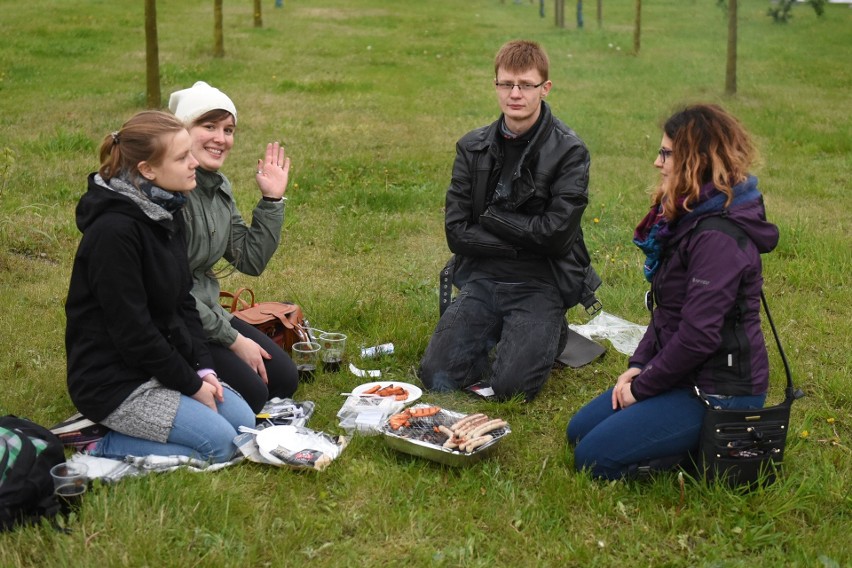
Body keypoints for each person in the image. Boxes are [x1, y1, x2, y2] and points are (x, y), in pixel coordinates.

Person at [567, 104, 779, 480]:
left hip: (720, 391)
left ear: (695, 161)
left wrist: (643, 387)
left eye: (666, 153)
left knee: (594, 459)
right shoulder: (689, 215)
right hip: (685, 374)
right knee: (577, 430)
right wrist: (637, 365)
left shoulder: (718, 238)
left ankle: (712, 453)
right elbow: (667, 313)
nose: (656, 162)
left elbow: (698, 336)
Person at [64, 111, 256, 463]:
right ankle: (93, 442)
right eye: (182, 157)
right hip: (114, 381)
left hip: (160, 364)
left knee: (243, 426)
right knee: (224, 447)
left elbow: (183, 303)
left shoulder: (166, 209)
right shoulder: (114, 233)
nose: (194, 163)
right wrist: (192, 386)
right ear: (147, 170)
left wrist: (203, 369)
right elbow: (133, 333)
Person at [418, 40, 597, 401]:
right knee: (435, 375)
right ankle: (501, 328)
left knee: (511, 390)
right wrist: (524, 241)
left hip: (541, 282)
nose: (515, 94)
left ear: (544, 89)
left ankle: (551, 331)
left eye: (526, 85)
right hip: (485, 276)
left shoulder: (570, 151)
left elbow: (557, 237)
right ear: (496, 85)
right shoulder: (472, 147)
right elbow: (456, 233)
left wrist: (492, 217)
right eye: (506, 84)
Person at [168, 81, 298, 414]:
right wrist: (234, 339)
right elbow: (173, 293)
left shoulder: (217, 185)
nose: (221, 138)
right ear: (181, 131)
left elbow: (249, 259)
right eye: (208, 126)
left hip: (207, 312)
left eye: (228, 129)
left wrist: (272, 199)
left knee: (283, 379)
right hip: (174, 319)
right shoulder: (171, 194)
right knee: (254, 394)